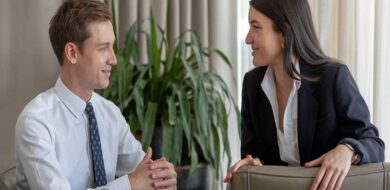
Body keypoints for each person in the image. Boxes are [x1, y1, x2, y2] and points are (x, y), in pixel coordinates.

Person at [14, 0, 176, 189]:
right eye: (103, 48)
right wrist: (130, 185)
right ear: (72, 53)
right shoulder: (35, 122)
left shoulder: (109, 113)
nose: (114, 60)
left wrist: (162, 177)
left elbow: (146, 173)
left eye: (112, 46)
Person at [224, 0, 385, 189]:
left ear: (284, 33)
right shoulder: (252, 84)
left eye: (255, 27)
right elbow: (252, 154)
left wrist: (347, 150)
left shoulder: (332, 77)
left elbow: (373, 143)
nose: (247, 39)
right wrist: (254, 164)